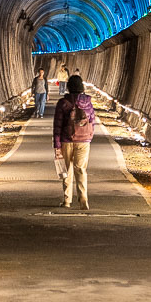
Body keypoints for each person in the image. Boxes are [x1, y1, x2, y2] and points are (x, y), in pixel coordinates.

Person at [53, 74, 95, 209]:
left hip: (67, 140)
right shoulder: (88, 103)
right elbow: (92, 122)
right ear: (81, 87)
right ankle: (83, 200)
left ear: (69, 87)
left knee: (67, 171)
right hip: (84, 141)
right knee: (81, 170)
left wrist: (57, 145)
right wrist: (89, 136)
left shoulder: (63, 103)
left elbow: (57, 125)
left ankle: (67, 201)